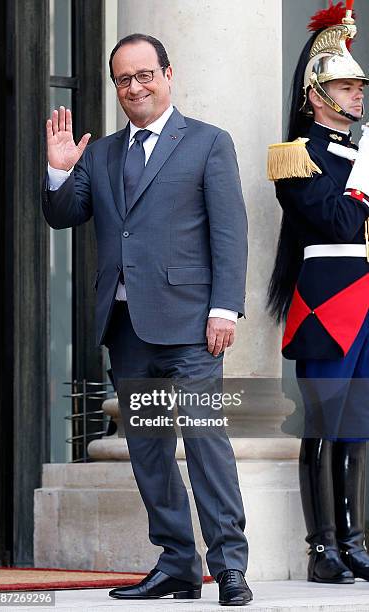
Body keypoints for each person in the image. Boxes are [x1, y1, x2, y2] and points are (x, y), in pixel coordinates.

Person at [43, 33, 252, 606]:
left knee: (208, 444)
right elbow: (64, 215)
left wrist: (223, 309)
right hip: (127, 330)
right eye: (123, 80)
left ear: (167, 74)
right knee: (150, 452)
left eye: (144, 76)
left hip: (191, 327)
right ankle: (178, 565)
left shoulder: (208, 142)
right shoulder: (103, 153)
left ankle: (230, 566)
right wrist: (61, 172)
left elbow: (230, 232)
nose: (134, 88)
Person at [267, 1, 369, 584]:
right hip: (328, 302)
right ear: (317, 95)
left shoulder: (358, 151)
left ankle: (355, 540)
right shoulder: (295, 156)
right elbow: (335, 220)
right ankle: (322, 548)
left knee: (358, 426)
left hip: (366, 301)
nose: (357, 94)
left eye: (358, 86)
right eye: (345, 86)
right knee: (325, 423)